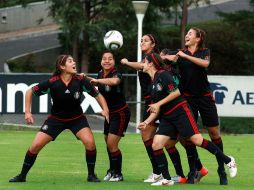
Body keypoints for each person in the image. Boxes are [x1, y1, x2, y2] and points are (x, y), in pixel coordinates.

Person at [138, 52, 237, 186]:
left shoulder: (163, 74)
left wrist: (158, 104)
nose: (142, 64)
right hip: (167, 117)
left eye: (144, 61)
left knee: (196, 140)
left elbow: (177, 92)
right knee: (156, 144)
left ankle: (228, 161)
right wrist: (146, 122)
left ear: (150, 63)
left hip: (180, 112)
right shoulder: (153, 82)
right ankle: (166, 179)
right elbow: (156, 109)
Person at [9, 54, 109, 183]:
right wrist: (27, 112)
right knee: (35, 146)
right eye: (70, 61)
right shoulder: (52, 82)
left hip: (77, 119)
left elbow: (97, 94)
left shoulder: (80, 80)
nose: (74, 63)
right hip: (55, 120)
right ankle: (22, 175)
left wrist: (105, 109)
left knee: (90, 144)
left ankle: (91, 175)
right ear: (62, 66)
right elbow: (29, 91)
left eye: (74, 60)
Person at [161, 27, 229, 185]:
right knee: (188, 135)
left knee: (214, 133)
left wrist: (183, 56)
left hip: (205, 98)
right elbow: (164, 56)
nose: (187, 35)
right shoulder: (179, 52)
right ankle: (193, 171)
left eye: (190, 34)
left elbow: (205, 63)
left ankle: (221, 169)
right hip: (188, 99)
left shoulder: (204, 51)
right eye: (187, 34)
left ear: (198, 38)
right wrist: (167, 56)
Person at [121, 34, 163, 183]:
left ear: (153, 44)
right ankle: (158, 171)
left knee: (162, 138)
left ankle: (161, 172)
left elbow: (141, 66)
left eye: (145, 40)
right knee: (148, 136)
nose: (142, 42)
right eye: (141, 40)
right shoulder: (148, 57)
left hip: (156, 101)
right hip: (149, 101)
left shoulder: (153, 57)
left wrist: (126, 62)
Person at [86, 51, 130, 182]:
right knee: (108, 143)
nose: (107, 61)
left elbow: (115, 81)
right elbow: (98, 92)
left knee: (112, 143)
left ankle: (118, 174)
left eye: (110, 59)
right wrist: (85, 78)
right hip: (109, 113)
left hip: (121, 113)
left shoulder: (116, 73)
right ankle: (111, 170)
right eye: (104, 59)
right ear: (101, 61)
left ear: (114, 61)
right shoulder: (100, 73)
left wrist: (97, 80)